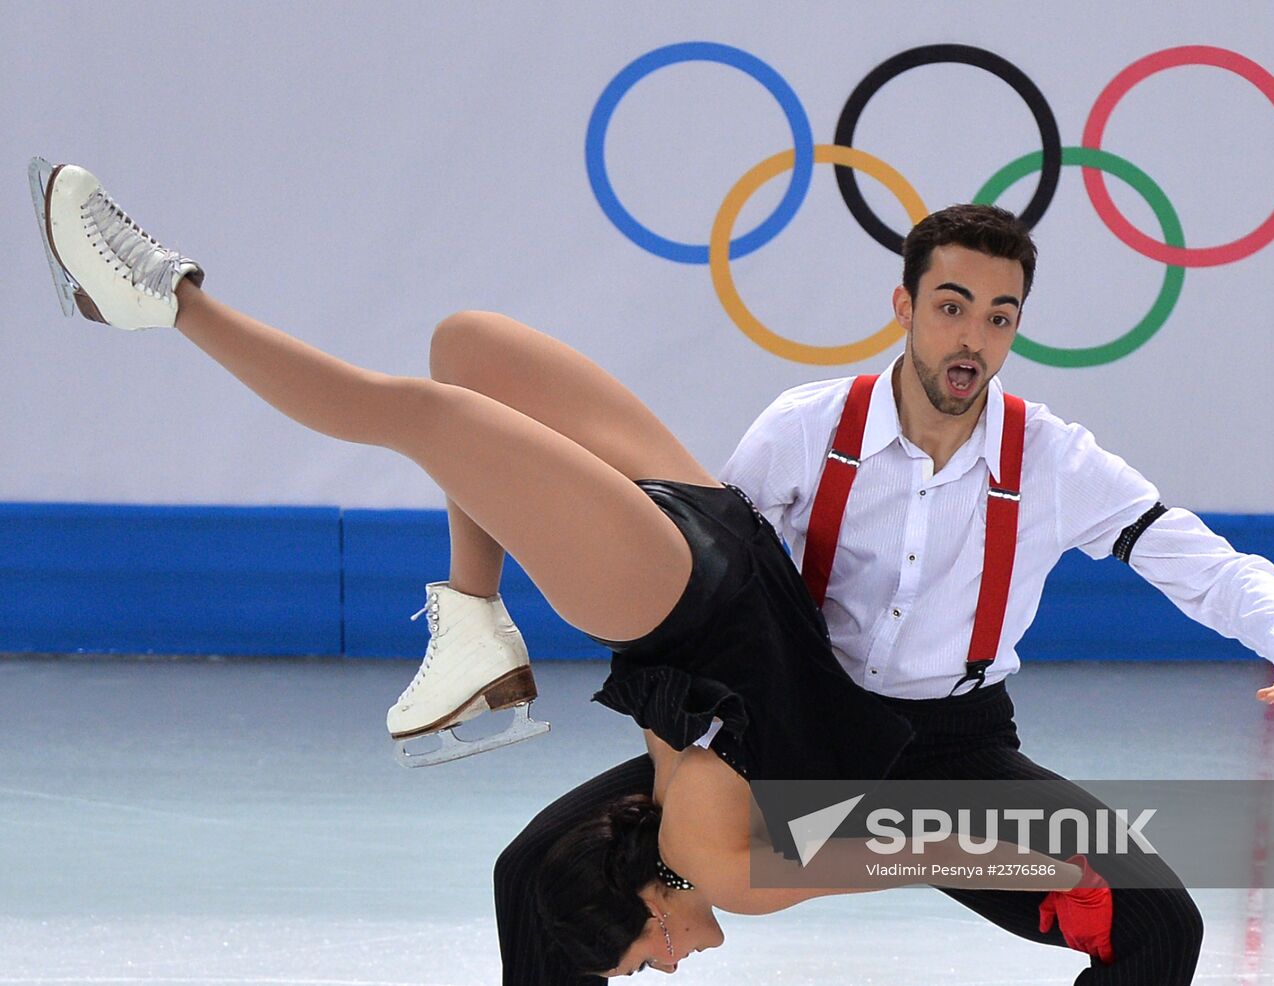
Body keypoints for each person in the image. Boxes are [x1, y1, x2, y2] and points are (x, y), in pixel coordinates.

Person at [30, 163, 1112, 979]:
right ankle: (466, 618)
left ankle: (174, 304)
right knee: (454, 371)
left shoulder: (710, 847)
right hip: (699, 558)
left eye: (643, 962)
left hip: (690, 573)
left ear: (641, 903)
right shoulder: (709, 846)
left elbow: (901, 835)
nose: (673, 964)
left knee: (450, 380)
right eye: (650, 967)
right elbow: (914, 838)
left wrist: (1049, 874)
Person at [487, 204, 1274, 985]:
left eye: (999, 319)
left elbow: (1191, 555)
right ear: (904, 306)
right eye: (952, 308)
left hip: (953, 753)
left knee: (1159, 925)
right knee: (530, 870)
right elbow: (718, 585)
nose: (972, 339)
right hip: (793, 728)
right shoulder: (807, 428)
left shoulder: (1053, 460)